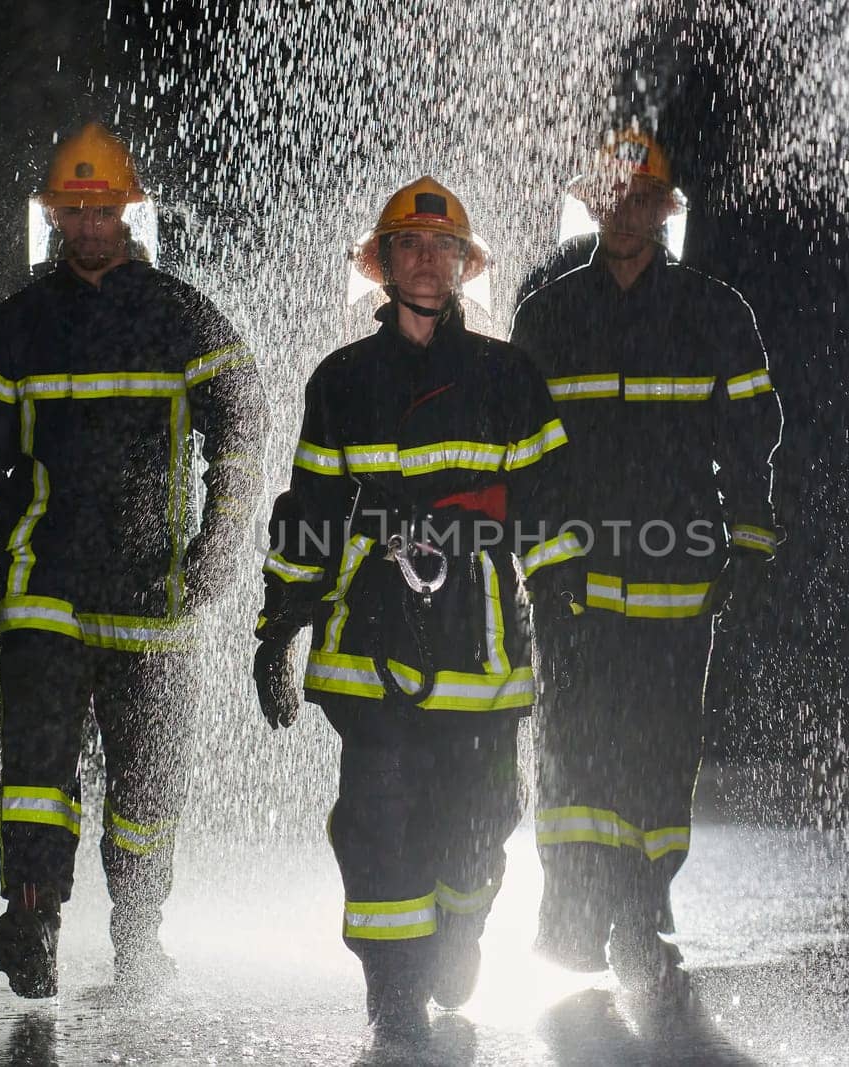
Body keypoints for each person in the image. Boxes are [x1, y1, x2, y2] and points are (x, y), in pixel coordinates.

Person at [0, 120, 269, 998]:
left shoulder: (177, 314)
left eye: (102, 209)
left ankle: (137, 932)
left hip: (156, 588)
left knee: (148, 786)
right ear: (52, 215)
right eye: (73, 210)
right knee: (37, 770)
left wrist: (223, 535)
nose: (88, 225)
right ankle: (34, 919)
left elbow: (244, 417)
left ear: (129, 212)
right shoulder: (16, 327)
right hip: (45, 583)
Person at [250, 176, 584, 1040]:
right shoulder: (341, 380)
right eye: (410, 246)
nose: (428, 260)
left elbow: (546, 503)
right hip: (371, 634)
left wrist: (564, 608)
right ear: (385, 263)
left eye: (444, 249)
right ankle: (394, 986)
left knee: (478, 822)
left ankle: (462, 926)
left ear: (466, 267)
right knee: (378, 816)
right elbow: (312, 510)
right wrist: (280, 623)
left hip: (478, 633)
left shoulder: (509, 375)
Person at [509, 127, 783, 1000]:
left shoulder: (715, 313)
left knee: (664, 746)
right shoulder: (548, 314)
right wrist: (545, 557)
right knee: (572, 743)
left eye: (641, 198)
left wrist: (747, 536)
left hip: (678, 570)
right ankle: (571, 913)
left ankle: (641, 908)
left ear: (667, 208)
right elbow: (522, 451)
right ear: (591, 202)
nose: (623, 211)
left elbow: (751, 437)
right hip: (575, 574)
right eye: (610, 196)